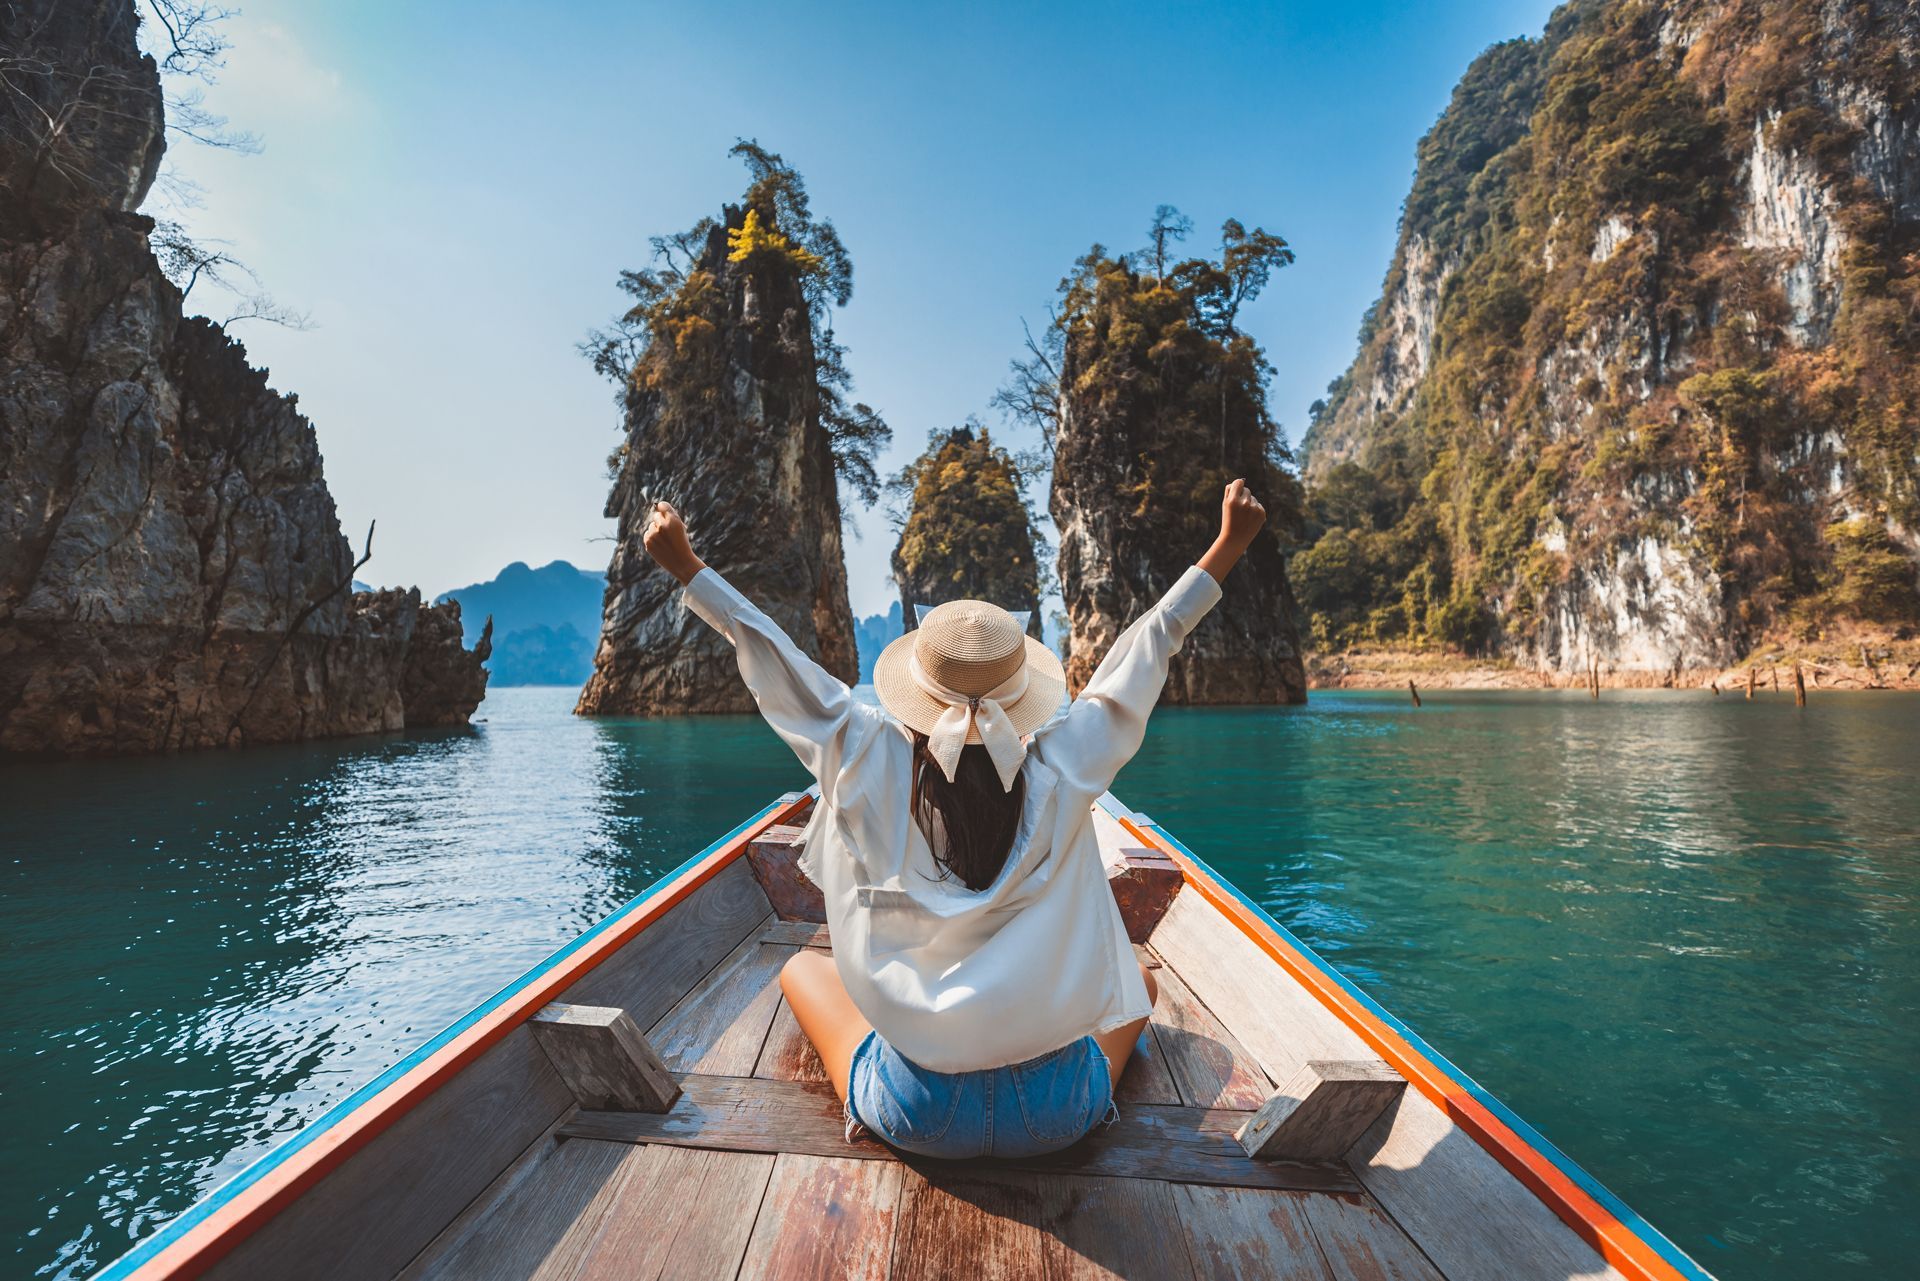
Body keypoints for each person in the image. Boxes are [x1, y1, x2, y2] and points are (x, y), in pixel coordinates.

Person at [642, 479, 1267, 1159]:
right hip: (1056, 1113)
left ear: (914, 687)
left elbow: (780, 669)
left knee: (800, 971)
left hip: (920, 1113)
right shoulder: (1064, 769)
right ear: (1023, 694)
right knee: (1137, 984)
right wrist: (1228, 545)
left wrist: (688, 568)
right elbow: (1145, 654)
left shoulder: (865, 758)